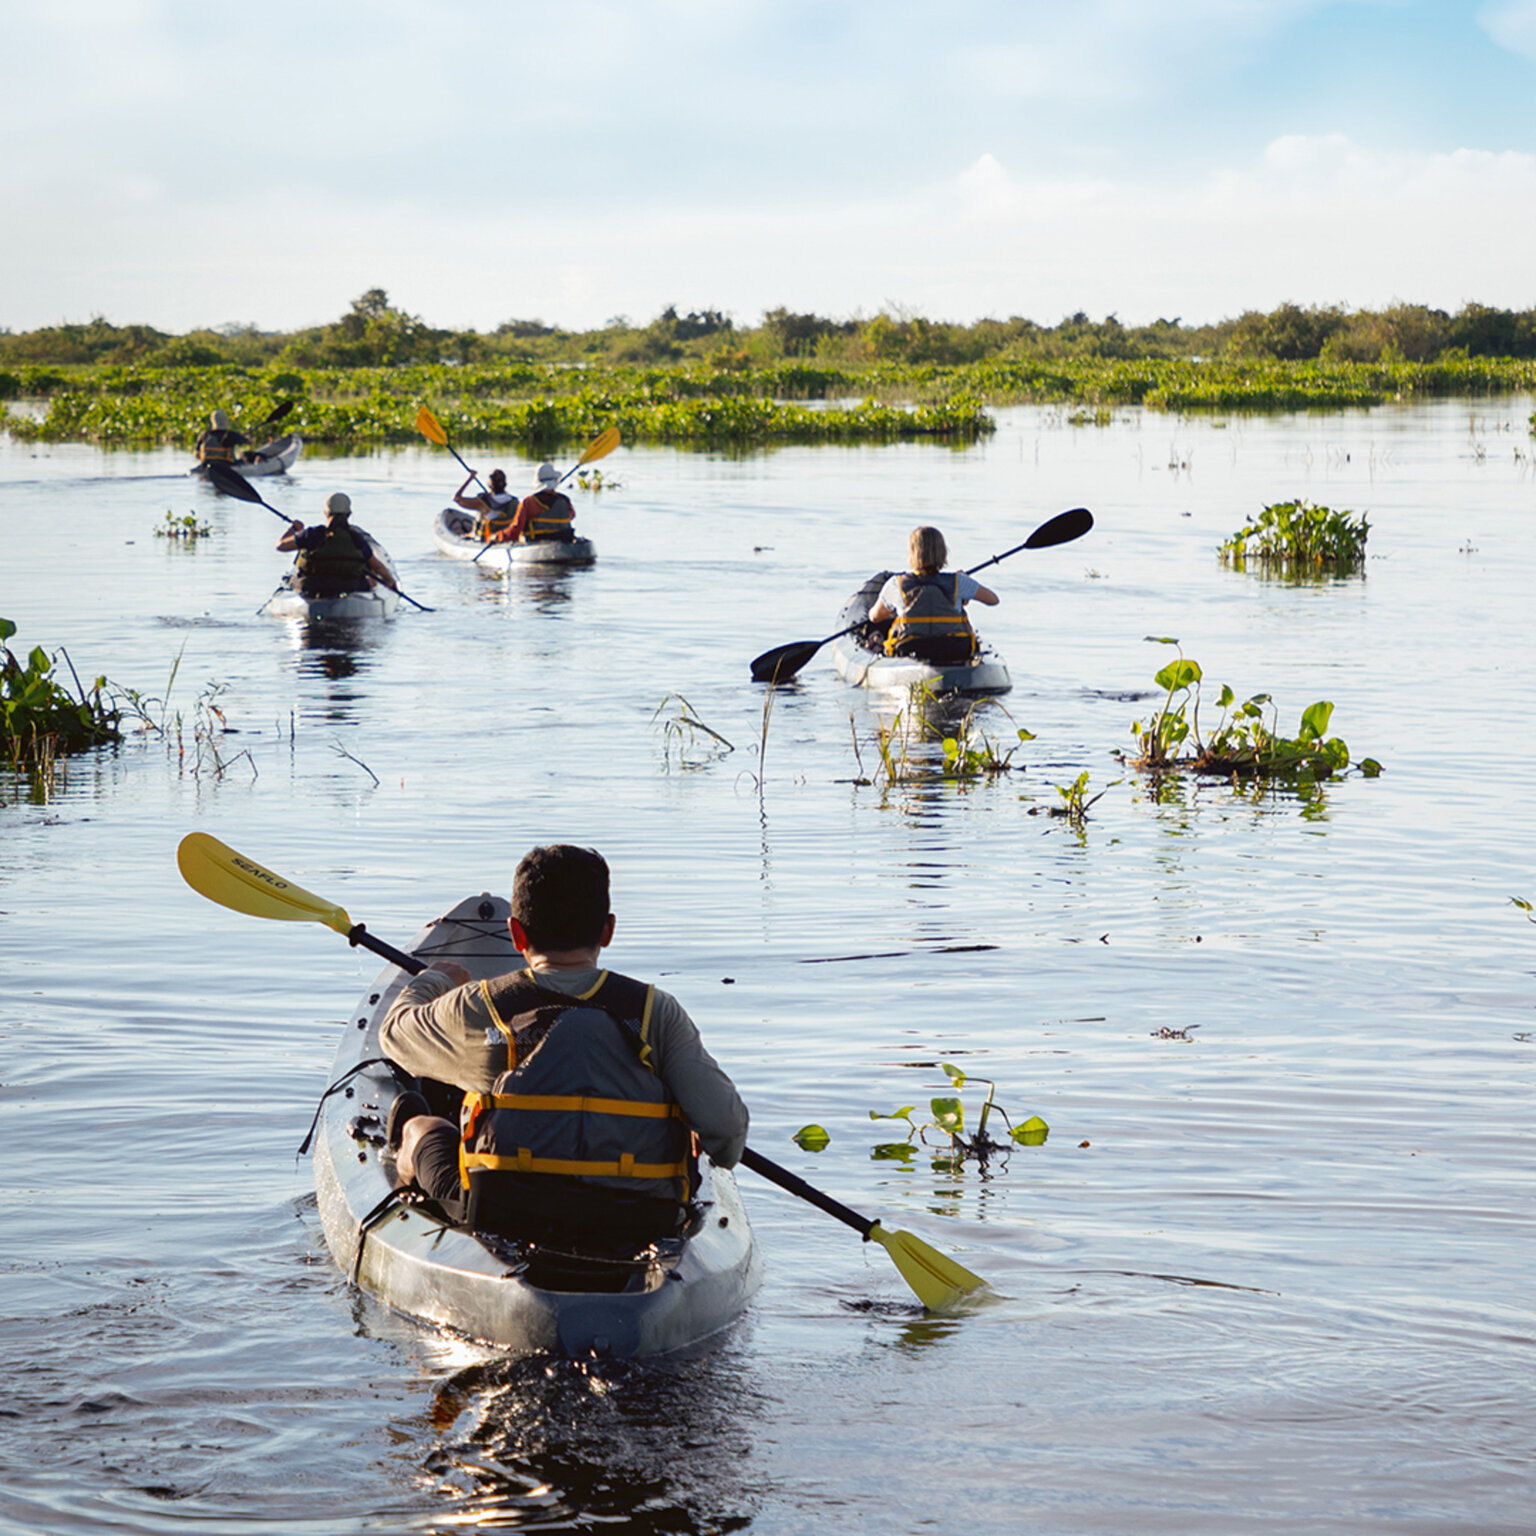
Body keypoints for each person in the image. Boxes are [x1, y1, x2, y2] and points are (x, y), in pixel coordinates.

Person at [380, 844, 748, 1246]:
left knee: (422, 1123)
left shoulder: (480, 1008)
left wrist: (434, 979)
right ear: (608, 930)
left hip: (506, 1216)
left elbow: (394, 1035)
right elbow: (726, 1135)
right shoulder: (654, 1014)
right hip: (639, 1219)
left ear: (516, 932)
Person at [868, 525, 998, 663]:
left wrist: (892, 612)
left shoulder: (896, 584)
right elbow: (993, 600)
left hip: (909, 649)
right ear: (943, 552)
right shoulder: (959, 581)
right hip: (955, 649)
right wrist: (966, 585)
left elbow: (874, 617)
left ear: (912, 553)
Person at [276, 492, 398, 599]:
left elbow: (281, 546)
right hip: (349, 585)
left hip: (311, 586)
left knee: (292, 580)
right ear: (349, 514)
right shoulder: (356, 537)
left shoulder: (311, 534)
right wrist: (389, 581)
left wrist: (293, 529)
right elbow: (378, 567)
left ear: (325, 512)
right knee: (373, 580)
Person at [492, 461, 577, 544]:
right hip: (565, 543)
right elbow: (571, 515)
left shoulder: (528, 502)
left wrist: (498, 536)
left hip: (536, 544)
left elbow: (515, 531)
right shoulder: (565, 500)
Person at [451, 468, 518, 540]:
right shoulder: (513, 500)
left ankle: (474, 533)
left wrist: (470, 478)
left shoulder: (483, 501)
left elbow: (457, 498)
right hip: (505, 533)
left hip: (487, 536)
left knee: (480, 512)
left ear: (491, 483)